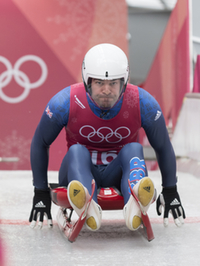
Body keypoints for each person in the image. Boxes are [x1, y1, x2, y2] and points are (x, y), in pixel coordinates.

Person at [29, 43, 185, 232]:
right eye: (99, 83)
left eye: (113, 83)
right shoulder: (64, 102)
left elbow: (162, 146)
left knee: (134, 148)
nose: (106, 90)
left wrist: (170, 190)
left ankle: (135, 200)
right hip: (79, 171)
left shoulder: (142, 102)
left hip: (118, 173)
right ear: (88, 82)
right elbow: (40, 142)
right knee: (77, 150)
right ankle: (87, 202)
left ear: (124, 82)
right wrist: (40, 192)